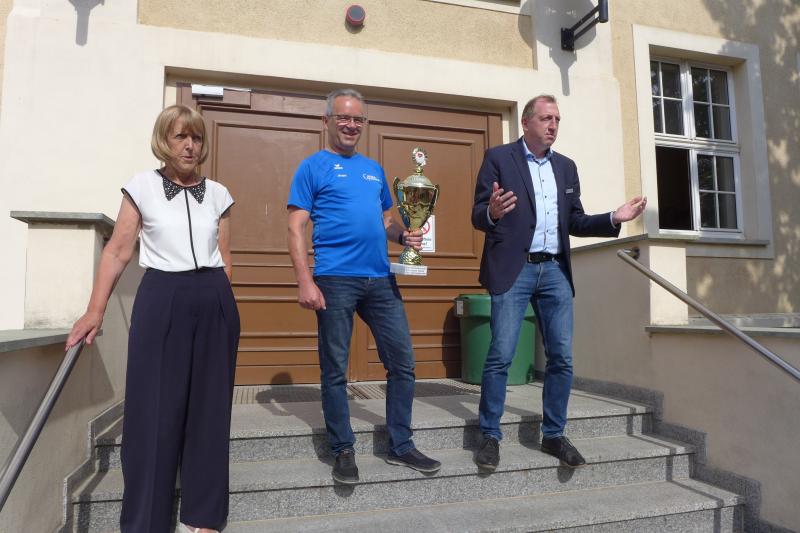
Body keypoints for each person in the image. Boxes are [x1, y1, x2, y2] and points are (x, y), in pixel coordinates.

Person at [66, 105, 240, 533]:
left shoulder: (219, 194)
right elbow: (117, 251)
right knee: (154, 411)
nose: (189, 145)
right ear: (164, 140)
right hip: (163, 296)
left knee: (210, 411)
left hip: (214, 298)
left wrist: (221, 305)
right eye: (180, 136)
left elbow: (226, 258)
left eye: (196, 138)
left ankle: (203, 518)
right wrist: (95, 310)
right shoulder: (141, 187)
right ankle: (146, 521)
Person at [471, 94, 646, 471]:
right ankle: (490, 435)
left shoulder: (566, 167)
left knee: (562, 357)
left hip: (554, 271)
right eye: (546, 118)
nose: (553, 125)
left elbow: (576, 221)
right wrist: (492, 212)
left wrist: (613, 218)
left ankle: (553, 434)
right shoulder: (499, 158)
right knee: (501, 355)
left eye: (557, 120)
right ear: (526, 122)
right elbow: (478, 214)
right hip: (514, 269)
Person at [287, 88, 441, 484]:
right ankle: (342, 448)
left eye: (358, 119)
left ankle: (400, 444)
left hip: (380, 279)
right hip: (334, 279)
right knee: (335, 370)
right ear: (327, 121)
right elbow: (295, 227)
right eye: (343, 117)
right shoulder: (312, 167)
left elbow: (387, 219)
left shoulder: (373, 169)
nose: (351, 124)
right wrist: (305, 280)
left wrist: (403, 235)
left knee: (402, 363)